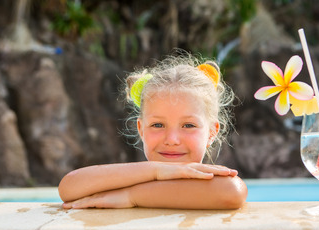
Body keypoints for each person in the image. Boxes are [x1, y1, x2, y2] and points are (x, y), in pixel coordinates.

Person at [58, 53, 247, 209]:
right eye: (158, 125)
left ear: (212, 132)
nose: (172, 139)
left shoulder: (209, 182)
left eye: (188, 125)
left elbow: (233, 192)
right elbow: (69, 187)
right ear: (141, 128)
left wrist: (130, 196)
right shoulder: (132, 177)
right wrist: (157, 171)